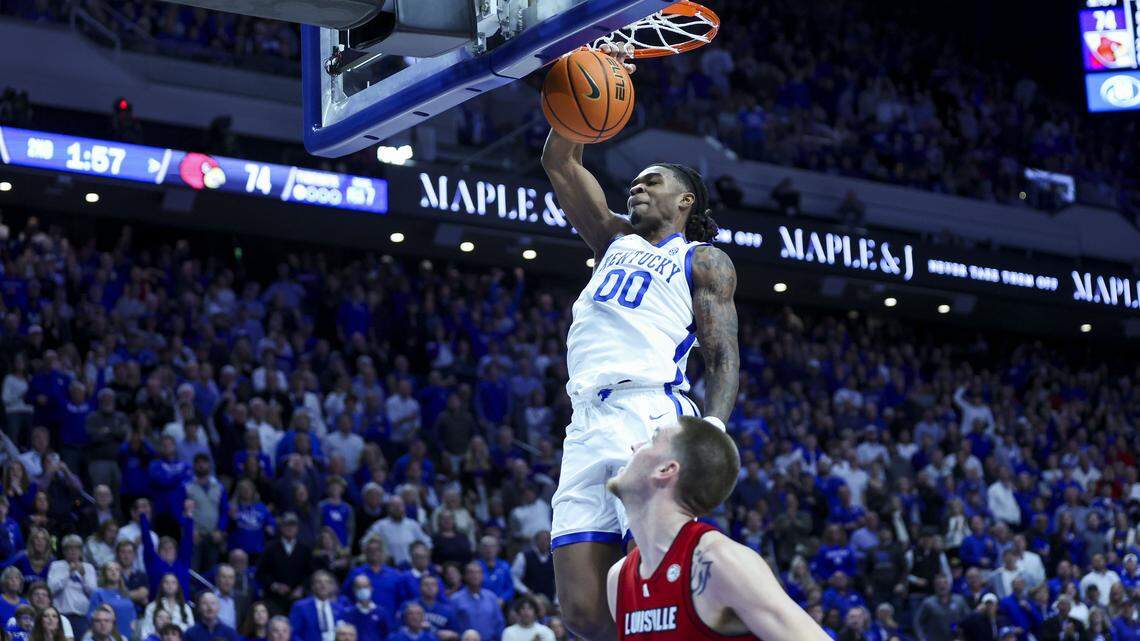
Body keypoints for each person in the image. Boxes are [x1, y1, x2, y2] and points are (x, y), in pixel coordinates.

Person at [540, 42, 740, 641]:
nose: (637, 186)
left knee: (656, 585)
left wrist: (715, 427)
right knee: (582, 614)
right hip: (586, 420)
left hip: (649, 415)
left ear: (686, 201)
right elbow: (559, 161)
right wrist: (587, 83)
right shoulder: (611, 239)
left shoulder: (703, 260)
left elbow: (721, 353)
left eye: (653, 182)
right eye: (635, 180)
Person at [603, 417, 830, 641]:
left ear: (666, 469)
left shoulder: (722, 563)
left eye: (652, 440)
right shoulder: (618, 580)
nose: (634, 446)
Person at [256, 512, 313, 615]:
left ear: (297, 528)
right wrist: (275, 585)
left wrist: (302, 588)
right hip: (274, 600)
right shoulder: (270, 548)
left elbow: (310, 574)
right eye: (287, 525)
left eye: (293, 525)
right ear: (281, 527)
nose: (290, 528)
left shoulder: (305, 549)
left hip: (298, 600)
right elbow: (261, 573)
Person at [47, 535, 96, 640]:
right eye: (69, 548)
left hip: (82, 617)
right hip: (61, 616)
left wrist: (83, 576)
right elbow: (50, 589)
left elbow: (93, 594)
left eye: (76, 548)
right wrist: (68, 573)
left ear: (80, 551)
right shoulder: (56, 566)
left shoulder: (88, 568)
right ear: (64, 551)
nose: (73, 551)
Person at [449, 564, 502, 641]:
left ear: (482, 576)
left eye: (478, 572)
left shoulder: (491, 597)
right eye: (471, 573)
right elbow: (452, 624)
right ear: (465, 576)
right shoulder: (456, 599)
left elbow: (499, 623)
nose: (475, 575)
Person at [85, 563, 134, 639]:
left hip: (129, 636)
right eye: (110, 569)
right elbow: (91, 617)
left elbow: (133, 614)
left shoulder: (125, 593)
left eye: (117, 569)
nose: (113, 572)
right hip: (109, 637)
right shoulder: (98, 593)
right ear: (104, 573)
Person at [288, 571, 341, 641]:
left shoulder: (338, 608)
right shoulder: (300, 607)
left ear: (331, 587)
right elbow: (294, 633)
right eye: (319, 582)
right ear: (312, 586)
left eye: (327, 582)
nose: (323, 585)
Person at [510, 531, 554, 602]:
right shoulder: (523, 556)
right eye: (541, 539)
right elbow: (513, 577)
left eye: (547, 539)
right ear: (535, 541)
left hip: (549, 601)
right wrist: (524, 590)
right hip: (528, 600)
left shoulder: (554, 557)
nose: (544, 542)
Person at [341, 576, 388, 641]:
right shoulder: (348, 613)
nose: (362, 590)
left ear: (371, 588)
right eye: (359, 587)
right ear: (354, 589)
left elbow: (387, 635)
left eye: (365, 586)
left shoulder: (381, 613)